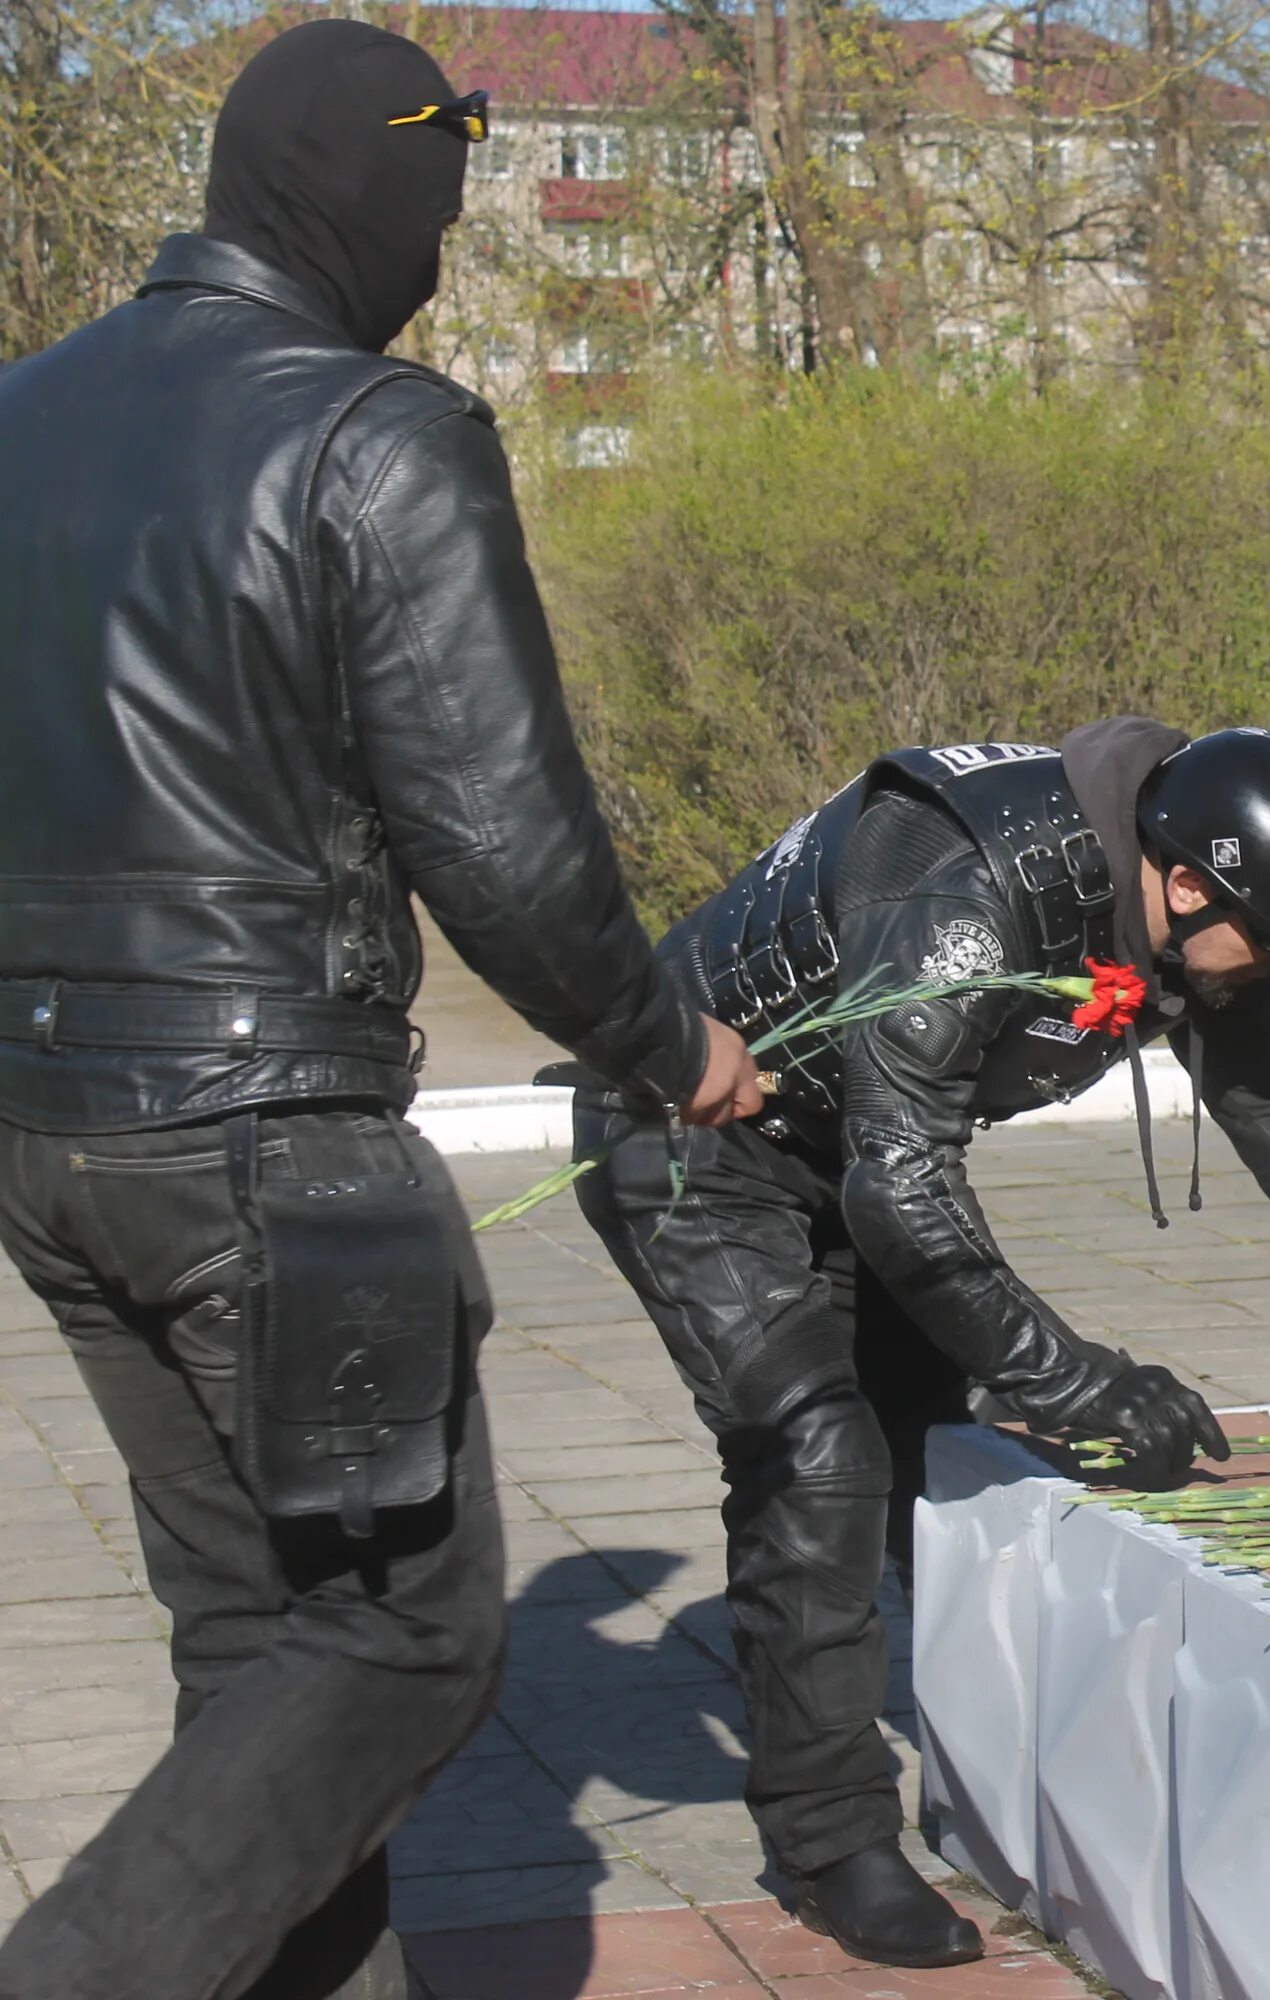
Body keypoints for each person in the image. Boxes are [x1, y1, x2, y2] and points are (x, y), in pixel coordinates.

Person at [0, 23, 764, 2000]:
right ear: (368, 198)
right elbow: (503, 843)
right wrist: (672, 1045)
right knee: (408, 1638)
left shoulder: (18, 418)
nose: (444, 234)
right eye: (440, 188)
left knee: (258, 1649)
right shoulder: (374, 436)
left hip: (47, 1135)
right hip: (273, 1152)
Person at [567, 720, 1270, 1967]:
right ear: (1187, 883)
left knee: (938, 1447)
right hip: (689, 1130)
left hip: (848, 1141)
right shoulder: (980, 885)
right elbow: (903, 1185)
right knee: (817, 1456)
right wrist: (1080, 1378)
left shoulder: (1190, 913)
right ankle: (826, 1838)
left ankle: (1003, 1771)